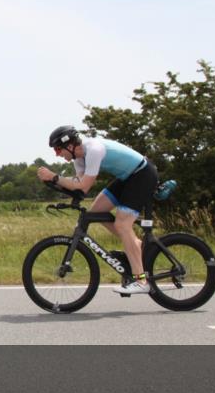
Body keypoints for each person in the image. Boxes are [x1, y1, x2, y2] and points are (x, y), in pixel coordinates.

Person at [36, 125, 159, 295]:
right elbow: (78, 188)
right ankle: (136, 246)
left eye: (58, 149)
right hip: (127, 178)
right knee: (95, 214)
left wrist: (55, 177)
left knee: (123, 225)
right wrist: (54, 183)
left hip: (142, 175)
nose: (57, 154)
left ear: (70, 145)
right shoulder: (79, 158)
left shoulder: (93, 150)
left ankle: (141, 281)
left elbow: (84, 185)